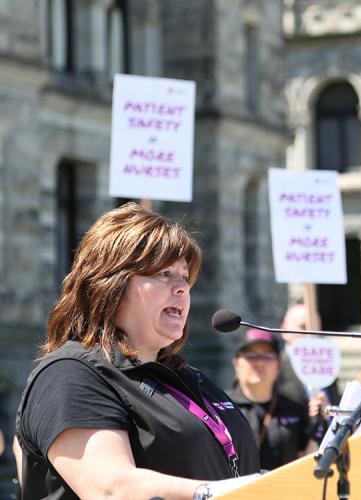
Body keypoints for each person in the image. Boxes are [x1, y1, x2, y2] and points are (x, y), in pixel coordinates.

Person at [14, 203, 259, 499]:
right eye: (164, 273)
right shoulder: (70, 374)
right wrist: (224, 493)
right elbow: (111, 489)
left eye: (185, 276)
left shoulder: (191, 379)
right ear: (111, 285)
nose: (182, 287)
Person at [227, 328, 311, 471]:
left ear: (279, 366)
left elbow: (306, 458)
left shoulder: (295, 409)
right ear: (236, 364)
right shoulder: (218, 407)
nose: (259, 363)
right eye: (251, 356)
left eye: (267, 356)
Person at [275, 303, 341, 443]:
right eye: (303, 327)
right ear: (284, 330)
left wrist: (327, 412)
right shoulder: (275, 367)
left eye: (315, 328)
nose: (310, 335)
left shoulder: (326, 368)